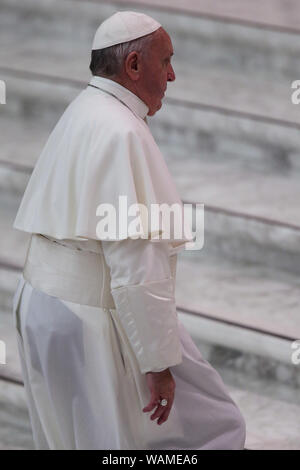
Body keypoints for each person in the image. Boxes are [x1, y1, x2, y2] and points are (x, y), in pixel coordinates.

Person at [12, 11, 246, 449]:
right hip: (87, 318)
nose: (173, 75)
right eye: (166, 61)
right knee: (216, 425)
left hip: (41, 305)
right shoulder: (122, 132)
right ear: (134, 66)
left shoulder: (84, 107)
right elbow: (136, 258)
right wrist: (157, 362)